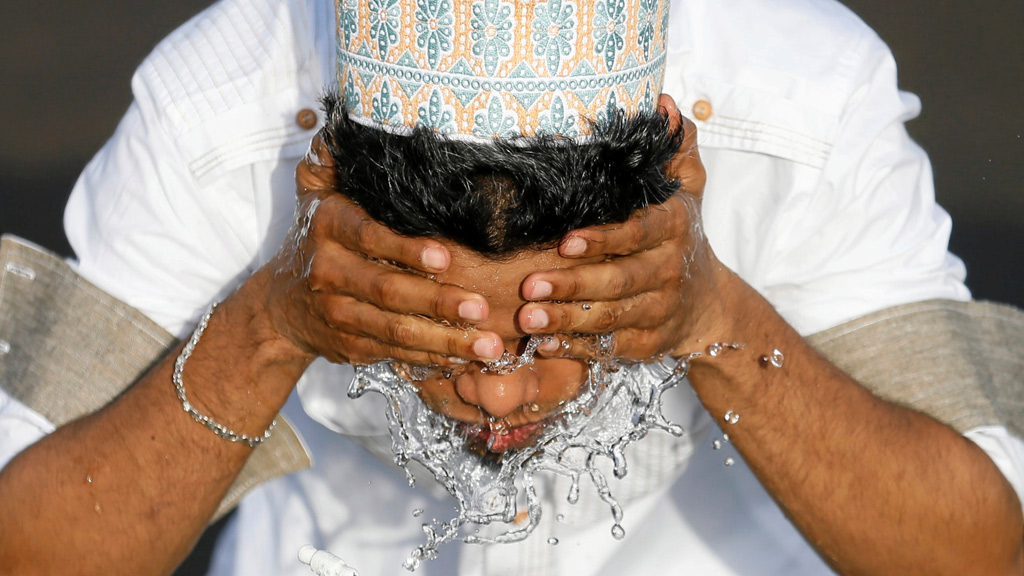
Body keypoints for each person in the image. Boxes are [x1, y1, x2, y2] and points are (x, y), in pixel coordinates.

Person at [0, 0, 1021, 575]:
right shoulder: (220, 114)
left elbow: (978, 554)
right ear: (324, 201)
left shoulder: (806, 101)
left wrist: (713, 313)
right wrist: (270, 320)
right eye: (429, 335)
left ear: (677, 196)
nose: (497, 398)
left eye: (560, 333)